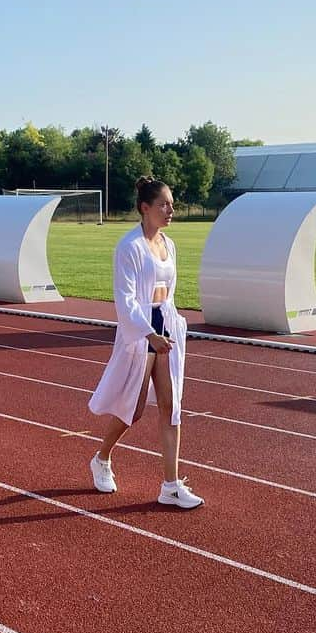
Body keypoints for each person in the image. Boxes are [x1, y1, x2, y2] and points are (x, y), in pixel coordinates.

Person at [88, 176, 204, 508]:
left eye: (171, 204)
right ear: (145, 208)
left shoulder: (170, 245)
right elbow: (125, 300)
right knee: (134, 408)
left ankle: (170, 485)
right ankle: (102, 458)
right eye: (164, 204)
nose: (170, 210)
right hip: (142, 333)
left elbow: (168, 293)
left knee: (171, 408)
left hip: (166, 329)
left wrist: (167, 329)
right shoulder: (130, 247)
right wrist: (148, 333)